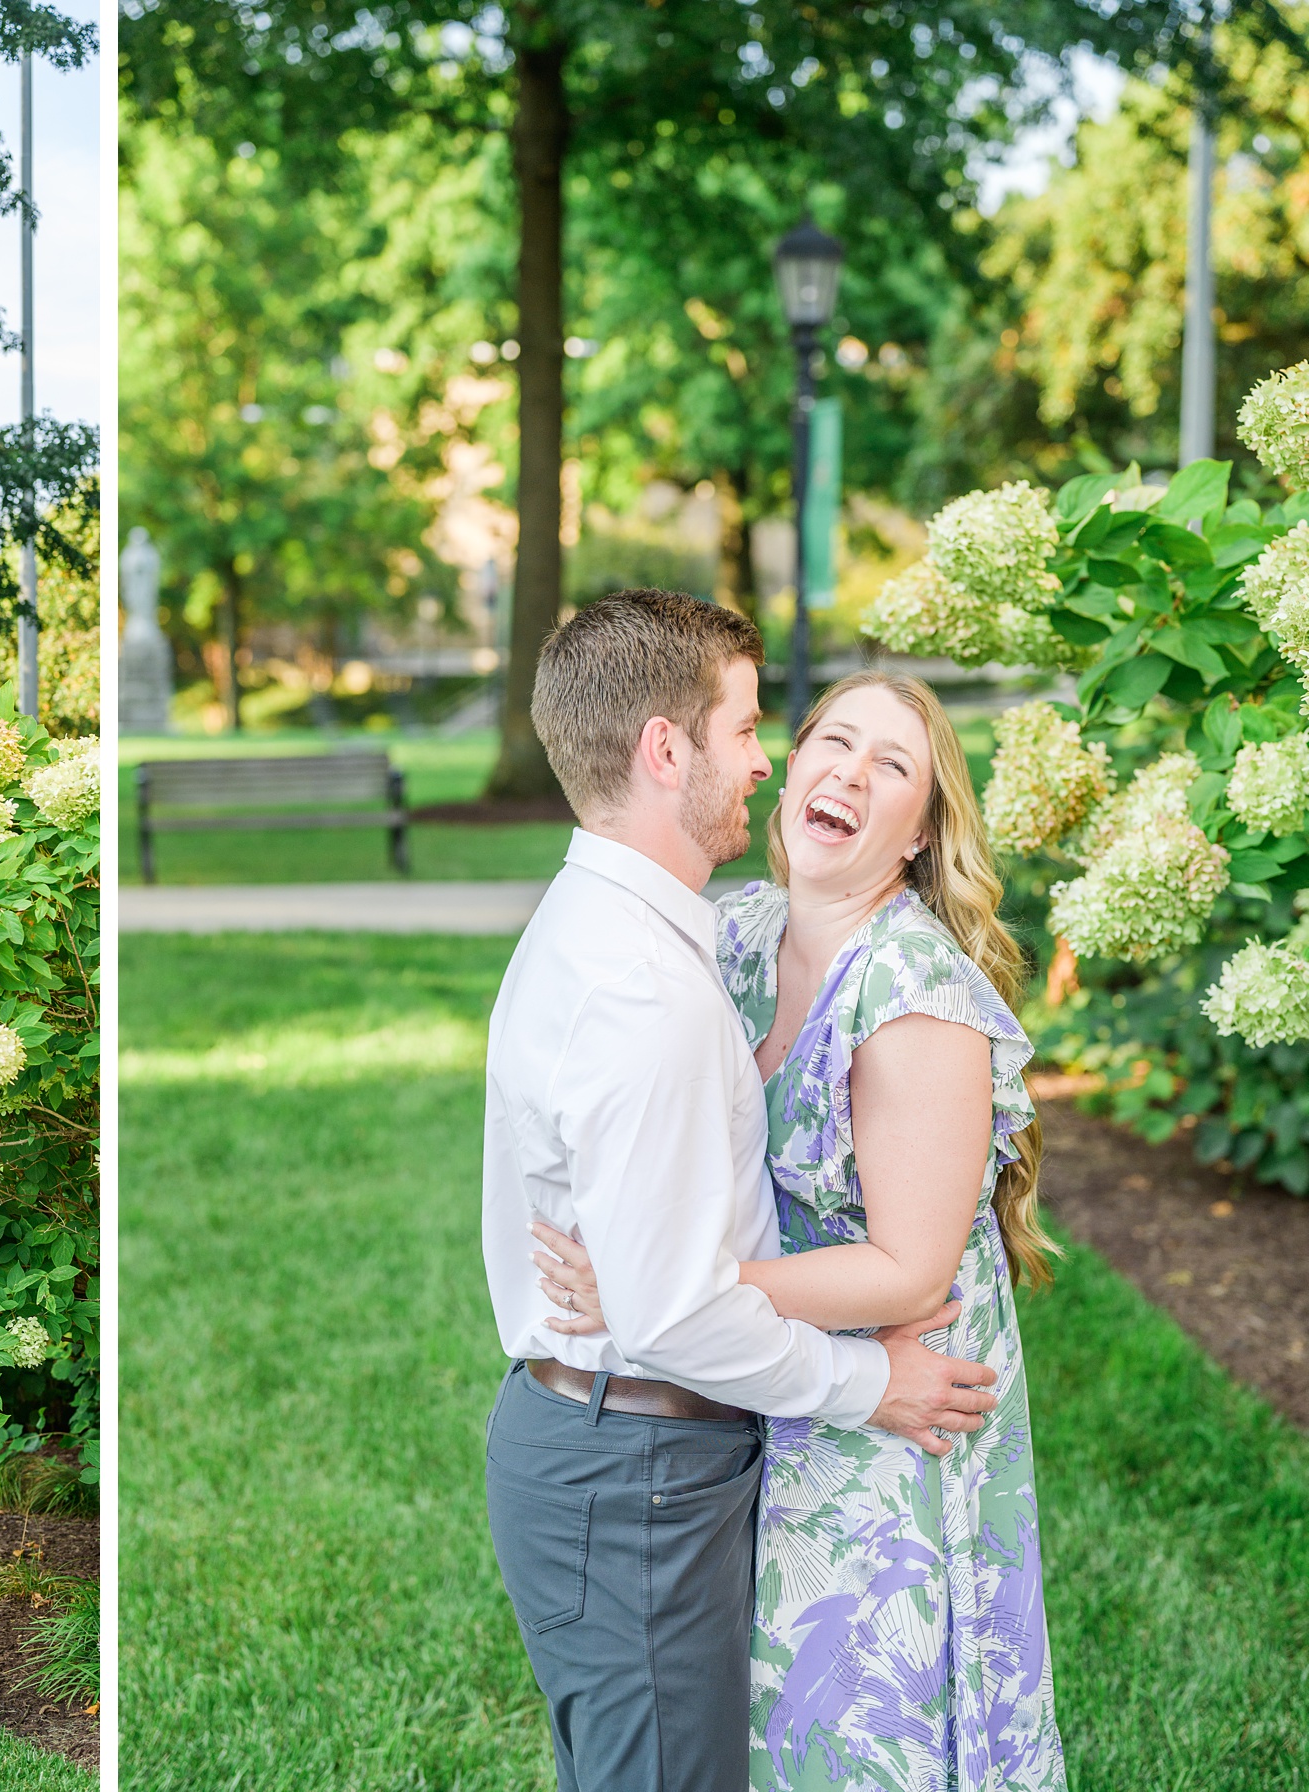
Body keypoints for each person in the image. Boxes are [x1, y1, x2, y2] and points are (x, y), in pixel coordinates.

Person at [480, 590, 1001, 1792]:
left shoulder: (647, 931)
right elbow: (674, 1312)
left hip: (628, 1438)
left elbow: (675, 1282)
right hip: (640, 1462)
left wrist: (673, 1281)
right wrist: (870, 1380)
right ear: (668, 750)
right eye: (754, 728)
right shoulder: (652, 986)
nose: (770, 760)